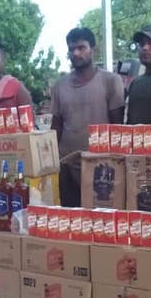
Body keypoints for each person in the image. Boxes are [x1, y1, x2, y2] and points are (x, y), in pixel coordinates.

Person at [50, 27, 125, 206]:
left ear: (93, 50)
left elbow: (118, 126)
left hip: (100, 166)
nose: (76, 53)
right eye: (71, 49)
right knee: (70, 215)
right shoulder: (60, 85)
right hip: (66, 164)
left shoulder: (110, 81)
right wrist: (51, 161)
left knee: (100, 216)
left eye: (81, 48)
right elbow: (56, 126)